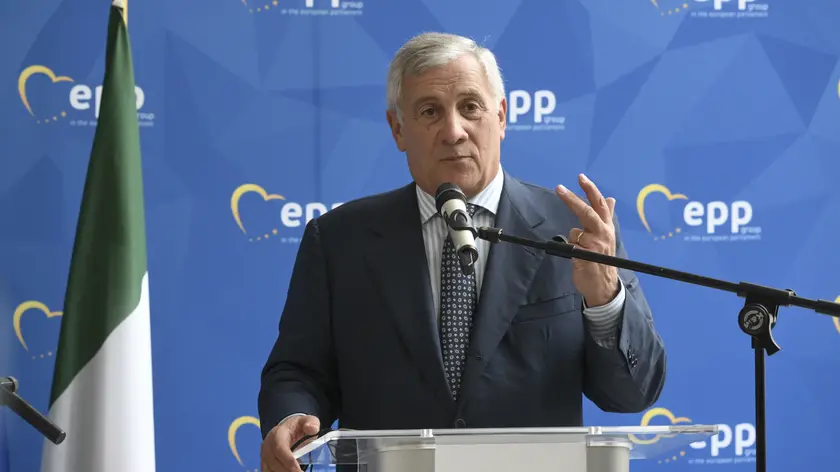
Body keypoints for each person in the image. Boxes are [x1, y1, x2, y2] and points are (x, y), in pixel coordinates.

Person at [258, 32, 666, 472]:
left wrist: (604, 300)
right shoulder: (340, 239)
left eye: (470, 107)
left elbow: (632, 394)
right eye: (429, 111)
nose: (454, 132)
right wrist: (292, 418)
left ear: (501, 116)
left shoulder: (575, 232)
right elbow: (298, 371)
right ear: (398, 129)